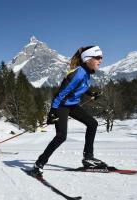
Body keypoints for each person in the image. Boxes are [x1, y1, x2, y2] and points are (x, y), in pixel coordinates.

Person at [31, 46, 107, 177]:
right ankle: (39, 164)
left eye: (101, 57)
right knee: (61, 136)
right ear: (88, 59)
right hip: (61, 106)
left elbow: (80, 87)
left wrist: (90, 93)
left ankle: (88, 158)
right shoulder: (77, 73)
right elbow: (60, 94)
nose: (101, 60)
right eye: (98, 57)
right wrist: (52, 112)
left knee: (92, 123)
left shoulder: (86, 72)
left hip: (72, 105)